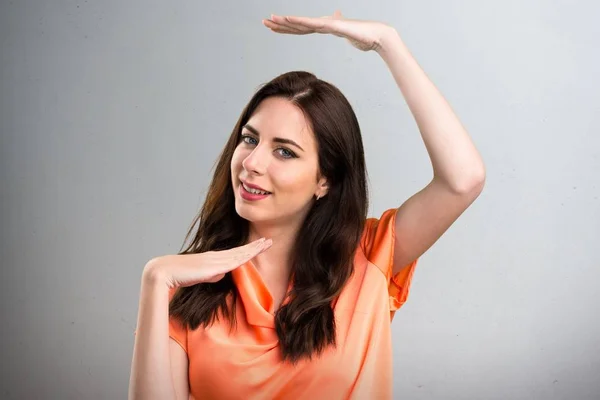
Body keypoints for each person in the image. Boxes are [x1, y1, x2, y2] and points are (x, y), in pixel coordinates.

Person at [129, 11, 486, 400]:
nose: (251, 163)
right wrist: (155, 280)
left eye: (284, 151)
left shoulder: (367, 258)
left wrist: (387, 42)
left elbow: (462, 179)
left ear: (324, 180)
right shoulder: (188, 289)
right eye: (249, 140)